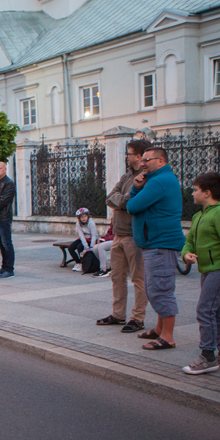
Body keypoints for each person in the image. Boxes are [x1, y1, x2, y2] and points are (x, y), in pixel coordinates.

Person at [180, 172, 220, 375]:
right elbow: (189, 241)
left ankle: (208, 356)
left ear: (207, 193)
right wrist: (186, 255)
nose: (192, 193)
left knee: (205, 310)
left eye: (195, 190)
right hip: (207, 271)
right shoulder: (198, 216)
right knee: (215, 311)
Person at [126, 147, 185, 351]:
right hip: (155, 243)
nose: (142, 164)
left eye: (146, 160)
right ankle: (160, 329)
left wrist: (135, 190)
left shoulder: (159, 181)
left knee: (161, 290)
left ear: (161, 161)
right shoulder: (157, 180)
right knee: (156, 288)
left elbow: (132, 206)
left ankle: (167, 337)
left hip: (161, 244)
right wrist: (137, 187)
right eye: (141, 160)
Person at [97, 139, 149, 332]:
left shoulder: (145, 178)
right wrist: (124, 200)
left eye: (129, 153)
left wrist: (122, 201)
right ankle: (118, 315)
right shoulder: (126, 177)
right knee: (117, 277)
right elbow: (109, 198)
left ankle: (138, 318)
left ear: (139, 156)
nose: (126, 156)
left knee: (138, 279)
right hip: (118, 235)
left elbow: (133, 202)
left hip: (134, 235)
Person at [68, 208, 98, 273]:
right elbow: (81, 235)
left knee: (79, 247)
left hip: (91, 239)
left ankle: (83, 263)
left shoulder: (91, 223)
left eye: (85, 216)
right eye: (82, 217)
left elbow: (94, 235)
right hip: (84, 238)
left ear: (87, 216)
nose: (84, 218)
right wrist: (85, 246)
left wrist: (91, 246)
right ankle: (78, 263)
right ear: (79, 218)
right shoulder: (78, 224)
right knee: (71, 248)